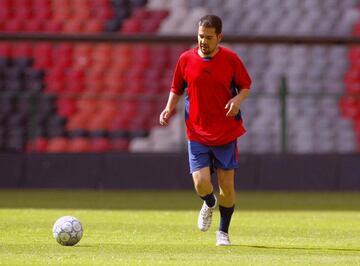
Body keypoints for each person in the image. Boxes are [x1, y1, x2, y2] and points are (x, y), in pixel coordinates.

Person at [159, 14, 251, 246]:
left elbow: (245, 86)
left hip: (225, 132)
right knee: (201, 183)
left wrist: (237, 101)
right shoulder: (186, 59)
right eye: (201, 36)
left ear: (219, 37)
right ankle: (209, 203)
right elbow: (176, 87)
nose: (203, 41)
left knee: (227, 188)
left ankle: (223, 232)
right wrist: (168, 109)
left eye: (209, 37)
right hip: (197, 132)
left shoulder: (231, 59)